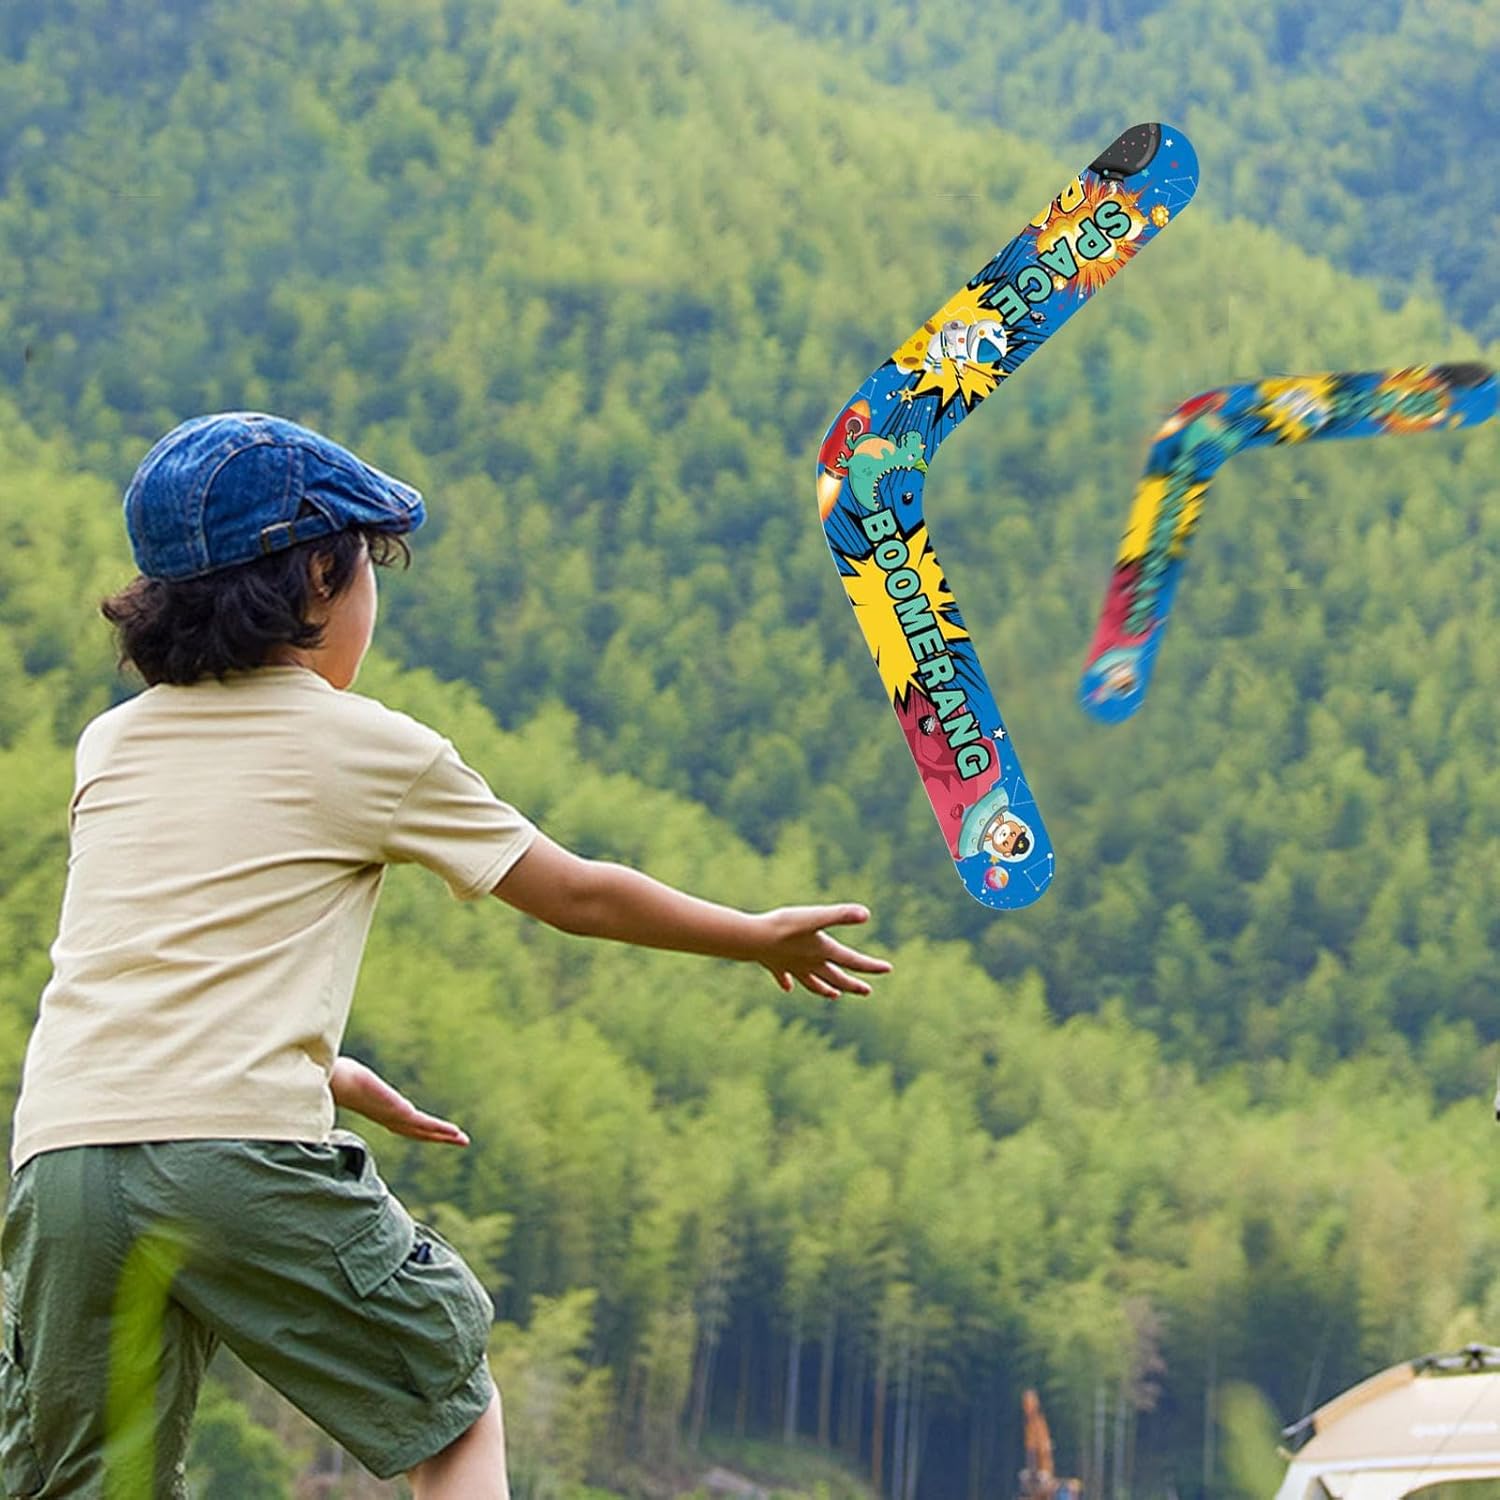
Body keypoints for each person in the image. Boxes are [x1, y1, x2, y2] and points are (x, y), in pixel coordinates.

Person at [0, 413, 891, 1499]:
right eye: (368, 568)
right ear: (320, 576)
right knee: (450, 1406)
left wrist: (323, 1069)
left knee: (92, 1481)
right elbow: (574, 893)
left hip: (64, 1164)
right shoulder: (367, 744)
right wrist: (751, 935)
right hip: (234, 1150)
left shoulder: (111, 744)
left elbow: (145, 966)